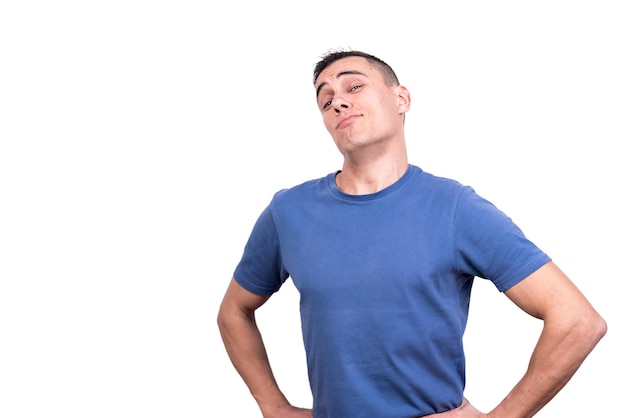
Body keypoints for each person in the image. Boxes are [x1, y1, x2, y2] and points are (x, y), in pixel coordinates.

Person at [217, 49, 607, 418]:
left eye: (354, 87)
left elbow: (577, 321)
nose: (338, 101)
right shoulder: (289, 212)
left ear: (401, 98)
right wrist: (274, 407)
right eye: (325, 99)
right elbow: (234, 311)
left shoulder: (456, 209)